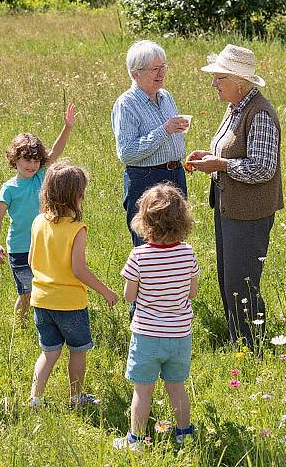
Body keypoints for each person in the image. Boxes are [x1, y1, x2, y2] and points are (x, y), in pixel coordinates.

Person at [187, 44, 283, 351]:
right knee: (230, 281)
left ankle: (251, 347)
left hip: (249, 214)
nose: (214, 84)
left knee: (242, 284)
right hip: (230, 207)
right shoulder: (236, 108)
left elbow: (263, 168)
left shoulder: (260, 114)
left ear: (238, 82)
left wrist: (222, 164)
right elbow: (234, 152)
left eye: (218, 78)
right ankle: (239, 342)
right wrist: (210, 155)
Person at [113, 183, 199, 451]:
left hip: (147, 335)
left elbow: (129, 296)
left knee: (143, 390)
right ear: (182, 219)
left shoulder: (139, 256)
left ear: (144, 220)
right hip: (179, 335)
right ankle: (184, 432)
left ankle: (135, 440)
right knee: (177, 387)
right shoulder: (187, 253)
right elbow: (192, 292)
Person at [28, 161, 119, 407]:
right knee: (78, 351)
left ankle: (35, 398)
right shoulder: (77, 229)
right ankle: (76, 397)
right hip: (70, 304)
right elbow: (79, 270)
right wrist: (106, 291)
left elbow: (30, 259)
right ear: (77, 196)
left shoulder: (38, 222)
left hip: (41, 300)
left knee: (49, 352)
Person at [111, 39, 190, 319]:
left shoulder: (166, 96)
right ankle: (142, 313)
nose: (161, 73)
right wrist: (164, 130)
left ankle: (175, 305)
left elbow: (171, 136)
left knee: (176, 239)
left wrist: (182, 150)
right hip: (146, 178)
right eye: (154, 68)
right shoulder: (127, 104)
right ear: (135, 73)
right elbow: (127, 152)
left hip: (174, 173)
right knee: (146, 245)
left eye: (163, 66)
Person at [0, 104, 76, 318]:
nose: (32, 164)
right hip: (19, 249)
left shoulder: (41, 176)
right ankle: (20, 323)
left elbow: (56, 151)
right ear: (15, 159)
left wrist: (67, 127)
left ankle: (44, 321)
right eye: (27, 159)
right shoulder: (9, 187)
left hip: (44, 244)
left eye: (36, 160)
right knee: (27, 292)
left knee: (44, 290)